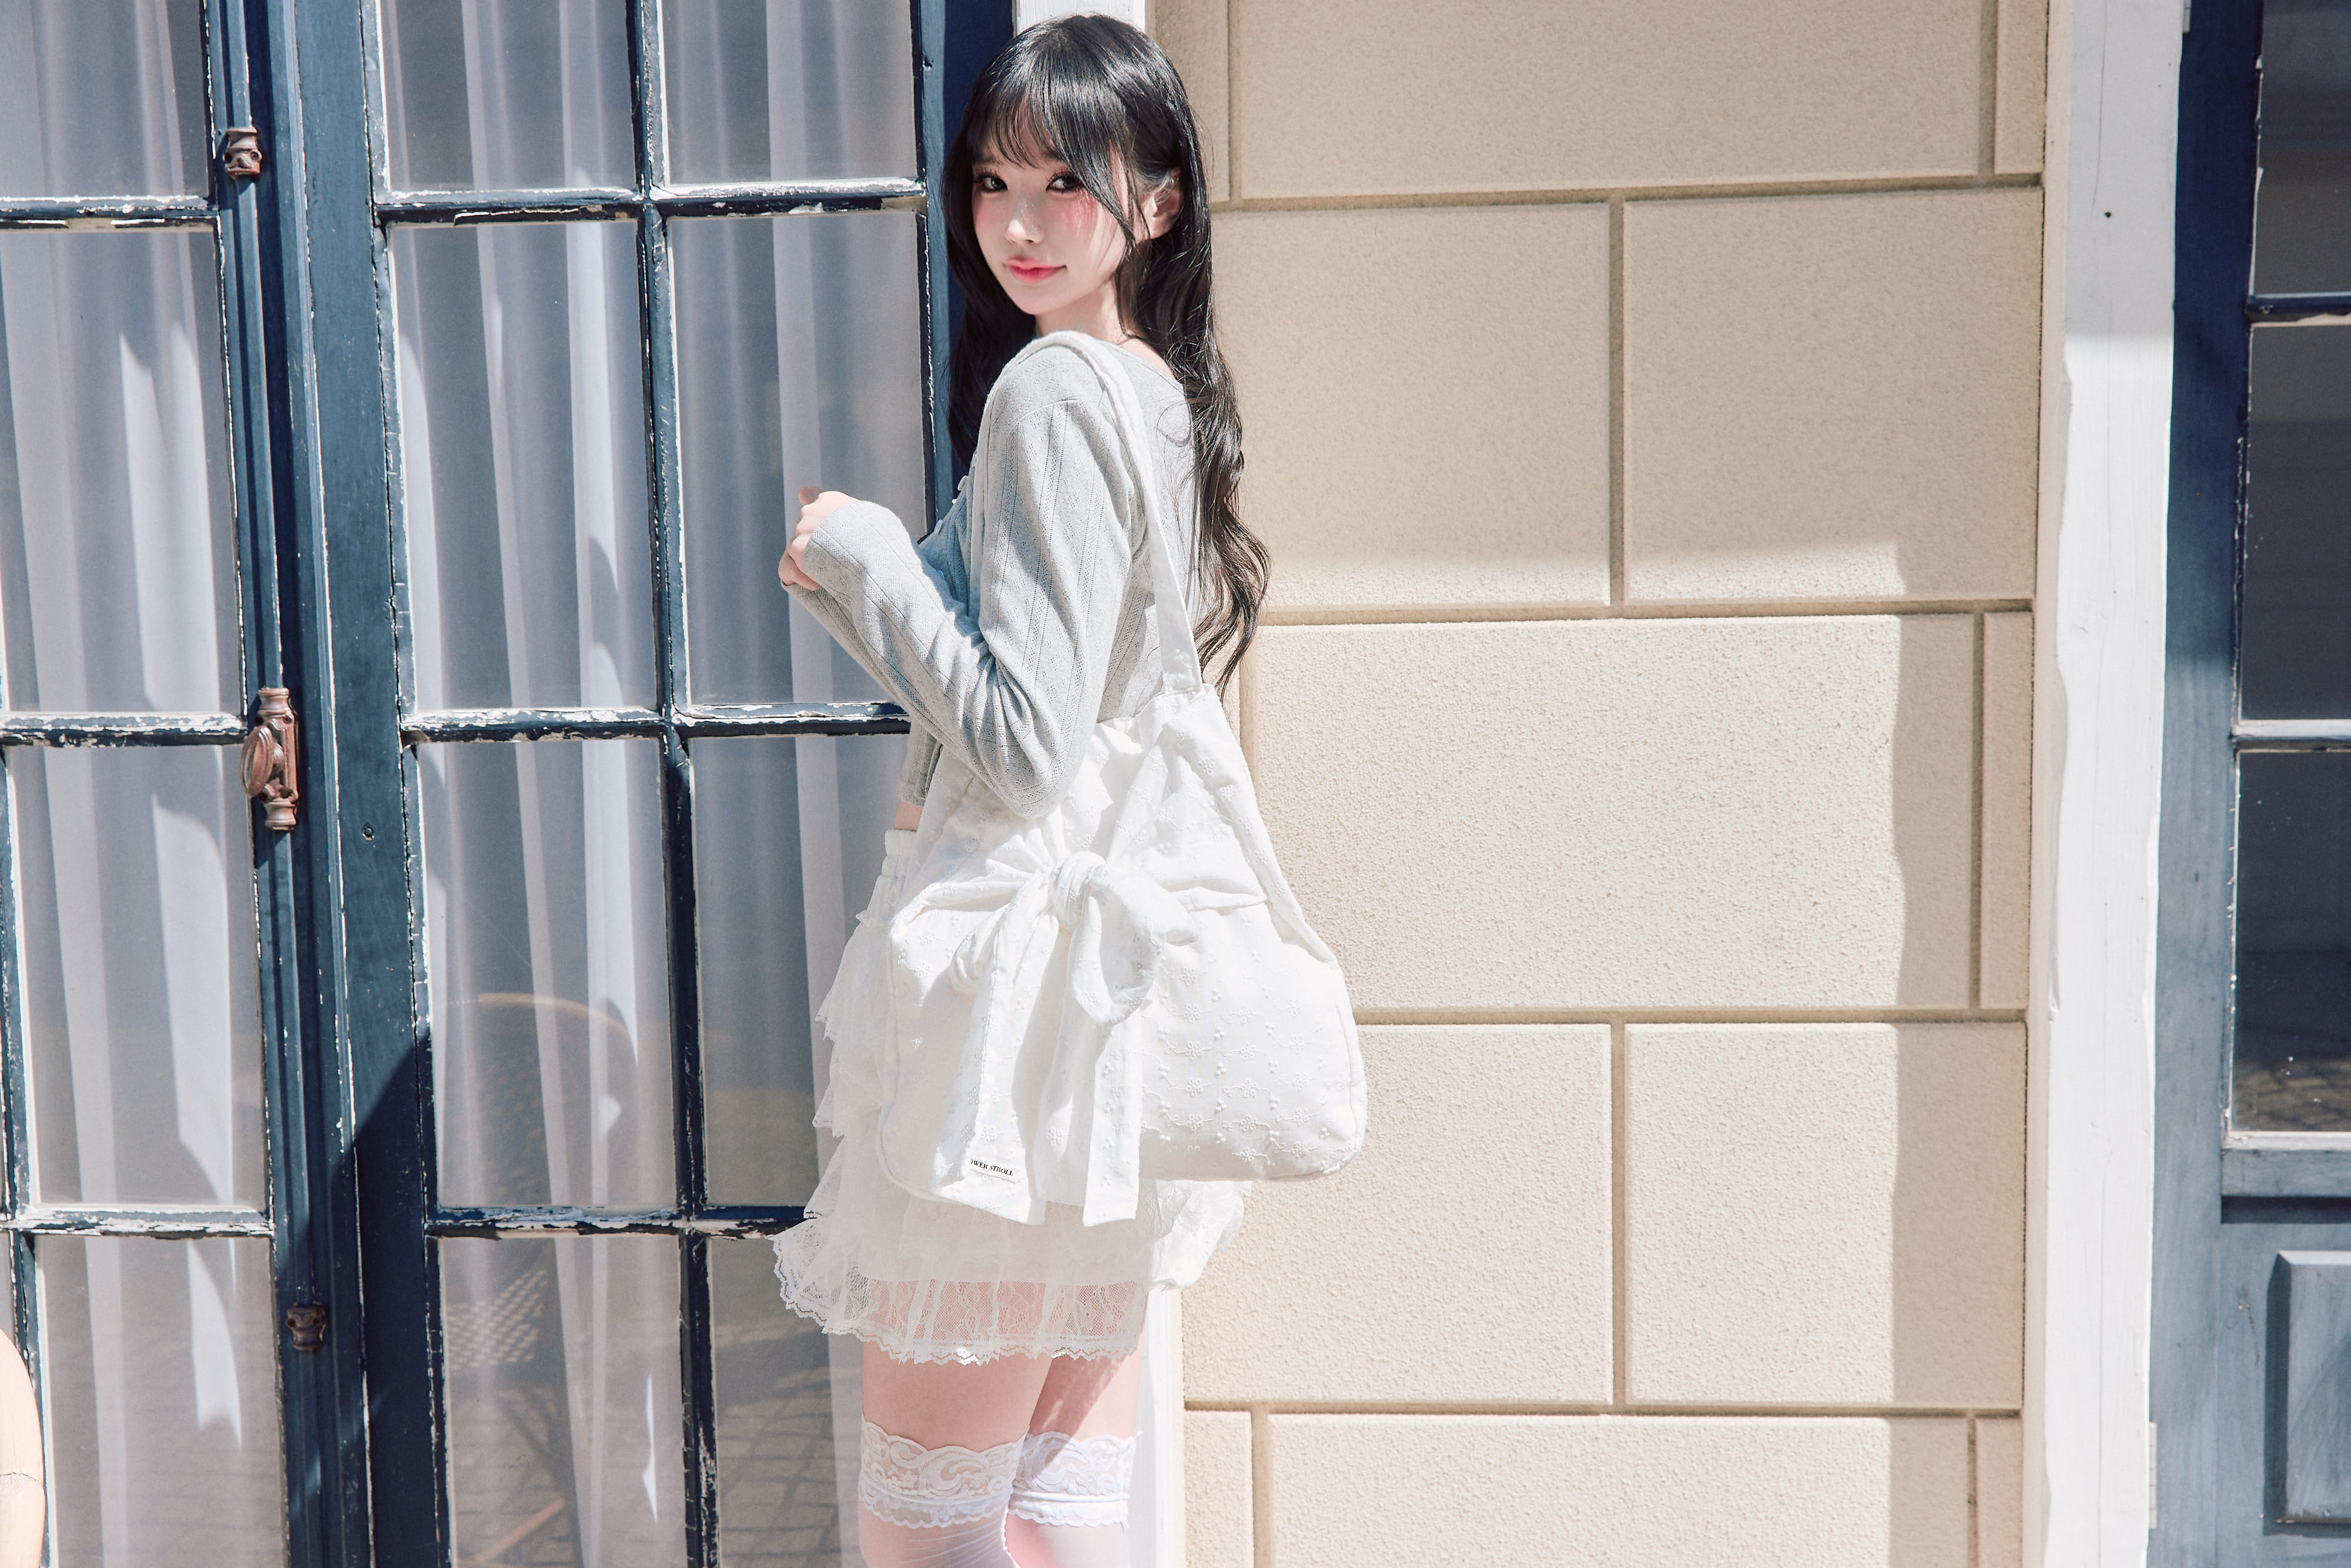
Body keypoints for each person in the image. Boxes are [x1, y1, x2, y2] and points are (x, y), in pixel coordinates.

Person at [772, 15, 1264, 1568]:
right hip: (1094, 1015)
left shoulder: (1051, 391)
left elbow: (1025, 738)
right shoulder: (1157, 394)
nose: (1020, 222)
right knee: (1060, 1509)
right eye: (993, 182)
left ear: (1158, 200)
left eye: (1065, 180)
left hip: (1008, 1014)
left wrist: (864, 557)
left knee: (927, 1530)